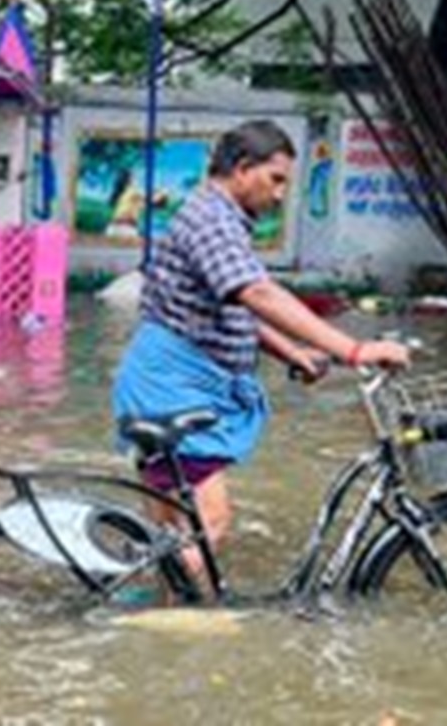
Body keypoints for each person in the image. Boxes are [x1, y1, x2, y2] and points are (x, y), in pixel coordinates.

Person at [112, 119, 411, 583]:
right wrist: (354, 349)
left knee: (170, 533)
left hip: (166, 382)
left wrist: (292, 353)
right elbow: (258, 294)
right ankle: (173, 631)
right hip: (173, 389)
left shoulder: (218, 217)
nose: (279, 195)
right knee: (209, 526)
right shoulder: (212, 220)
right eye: (276, 180)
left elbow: (230, 308)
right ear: (242, 168)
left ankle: (150, 616)